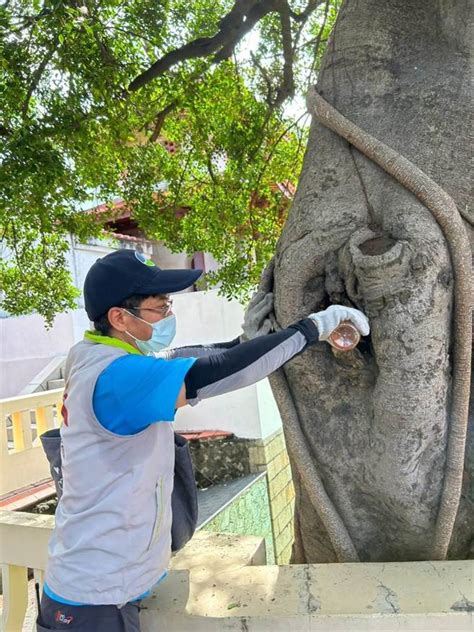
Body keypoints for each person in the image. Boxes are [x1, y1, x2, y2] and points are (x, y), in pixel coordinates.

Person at [37, 249, 369, 631]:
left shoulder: (96, 356)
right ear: (118, 317)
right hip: (93, 603)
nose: (169, 316)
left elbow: (193, 356)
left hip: (106, 585)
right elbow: (218, 373)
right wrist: (312, 329)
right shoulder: (117, 377)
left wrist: (248, 340)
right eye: (159, 308)